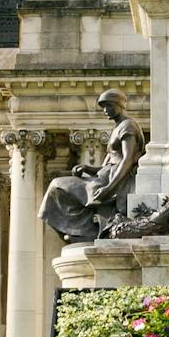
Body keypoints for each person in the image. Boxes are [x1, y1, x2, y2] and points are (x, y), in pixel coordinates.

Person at [38, 90, 145, 242]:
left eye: (109, 106)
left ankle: (84, 231)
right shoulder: (118, 127)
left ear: (120, 105)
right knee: (56, 189)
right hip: (105, 176)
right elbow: (110, 163)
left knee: (58, 187)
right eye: (103, 107)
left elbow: (127, 160)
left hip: (115, 181)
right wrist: (88, 168)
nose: (106, 110)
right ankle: (81, 232)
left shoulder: (127, 126)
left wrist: (109, 189)